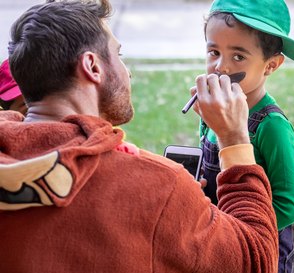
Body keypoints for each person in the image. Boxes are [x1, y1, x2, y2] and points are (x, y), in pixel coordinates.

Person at [0, 1, 278, 272]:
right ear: (93, 67)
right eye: (118, 55)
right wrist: (234, 138)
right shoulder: (157, 186)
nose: (127, 71)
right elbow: (256, 260)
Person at [194, 0, 294, 272]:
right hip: (216, 240)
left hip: (261, 251)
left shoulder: (271, 126)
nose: (221, 67)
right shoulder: (214, 111)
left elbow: (289, 204)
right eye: (213, 51)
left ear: (271, 65)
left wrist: (241, 231)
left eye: (238, 56)